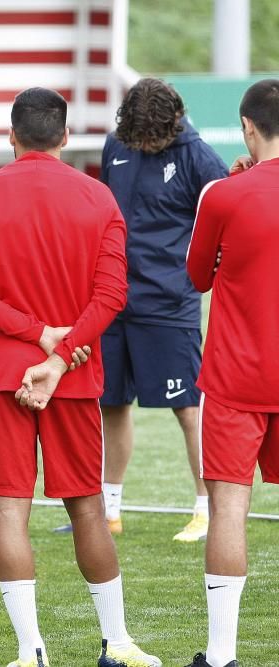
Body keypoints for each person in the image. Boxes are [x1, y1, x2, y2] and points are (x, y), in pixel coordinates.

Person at [0, 88, 160, 667]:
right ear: (66, 137)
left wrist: (39, 337)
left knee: (9, 510)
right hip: (74, 374)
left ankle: (30, 651)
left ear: (11, 137)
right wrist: (61, 351)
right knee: (88, 507)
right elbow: (113, 294)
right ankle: (116, 642)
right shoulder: (98, 197)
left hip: (0, 375)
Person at [54, 78, 228, 540]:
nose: (144, 145)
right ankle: (108, 508)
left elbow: (226, 221)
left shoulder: (200, 157)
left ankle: (206, 509)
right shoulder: (117, 145)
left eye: (152, 137)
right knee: (110, 403)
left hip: (170, 305)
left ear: (174, 124)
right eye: (137, 137)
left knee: (188, 408)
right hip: (111, 301)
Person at [183, 79, 279, 667]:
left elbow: (197, 276)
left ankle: (221, 656)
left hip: (237, 377)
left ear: (247, 127)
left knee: (227, 509)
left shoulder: (223, 193)